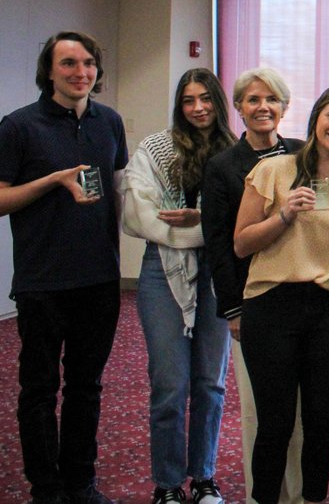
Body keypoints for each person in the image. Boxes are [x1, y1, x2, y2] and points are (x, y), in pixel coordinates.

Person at [0, 32, 128, 504]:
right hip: (42, 282)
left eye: (89, 63)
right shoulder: (19, 126)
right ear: (49, 71)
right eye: (69, 64)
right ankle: (45, 487)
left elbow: (114, 195)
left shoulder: (109, 122)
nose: (81, 73)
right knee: (38, 389)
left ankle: (79, 481)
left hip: (99, 280)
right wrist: (52, 180)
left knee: (86, 387)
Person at [233, 85, 329, 504]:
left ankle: (312, 499)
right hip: (272, 305)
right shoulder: (273, 170)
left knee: (320, 422)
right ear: (316, 118)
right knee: (275, 423)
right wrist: (284, 214)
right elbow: (241, 244)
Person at [121, 69, 236, 504]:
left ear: (219, 102)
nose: (198, 108)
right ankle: (167, 483)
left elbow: (249, 221)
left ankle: (204, 477)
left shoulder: (238, 151)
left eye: (205, 98)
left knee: (210, 381)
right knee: (169, 383)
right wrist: (213, 227)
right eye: (188, 100)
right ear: (179, 105)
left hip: (220, 271)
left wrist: (202, 225)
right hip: (161, 269)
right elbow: (140, 217)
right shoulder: (155, 147)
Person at [202, 67, 305, 504]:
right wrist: (233, 309)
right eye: (252, 99)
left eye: (272, 99)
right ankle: (260, 496)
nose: (263, 107)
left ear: (284, 107)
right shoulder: (223, 167)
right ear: (240, 108)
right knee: (259, 412)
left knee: (299, 413)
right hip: (254, 304)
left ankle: (298, 495)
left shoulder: (305, 156)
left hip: (304, 300)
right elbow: (221, 246)